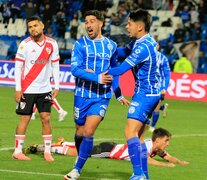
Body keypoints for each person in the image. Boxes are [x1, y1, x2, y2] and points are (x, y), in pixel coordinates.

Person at [64, 10, 130, 180]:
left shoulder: (111, 46)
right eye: (86, 22)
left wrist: (118, 93)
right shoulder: (80, 45)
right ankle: (81, 156)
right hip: (81, 95)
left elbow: (114, 72)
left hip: (102, 96)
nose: (88, 25)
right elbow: (74, 69)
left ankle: (76, 169)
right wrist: (96, 77)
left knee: (88, 131)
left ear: (100, 23)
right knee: (79, 130)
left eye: (92, 21)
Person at [105, 9, 161, 179]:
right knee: (140, 136)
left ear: (140, 26)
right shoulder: (143, 41)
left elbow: (121, 69)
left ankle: (138, 175)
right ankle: (144, 175)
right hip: (152, 93)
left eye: (129, 23)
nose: (126, 26)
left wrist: (100, 71)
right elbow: (122, 53)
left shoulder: (142, 47)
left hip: (145, 94)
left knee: (130, 132)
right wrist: (109, 48)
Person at [13, 16, 60, 162]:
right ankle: (17, 151)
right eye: (30, 27)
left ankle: (47, 151)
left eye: (35, 25)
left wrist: (57, 85)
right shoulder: (24, 44)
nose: (33, 29)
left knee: (46, 118)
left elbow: (55, 65)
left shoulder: (52, 44)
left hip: (45, 89)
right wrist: (18, 89)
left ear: (42, 26)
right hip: (27, 89)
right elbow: (18, 67)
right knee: (25, 118)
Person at [26, 128, 189, 167]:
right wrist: (165, 165)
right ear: (158, 139)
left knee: (80, 150)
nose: (167, 143)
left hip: (110, 147)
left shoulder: (156, 148)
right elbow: (146, 161)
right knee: (76, 154)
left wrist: (179, 162)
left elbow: (167, 156)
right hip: (108, 151)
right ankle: (46, 148)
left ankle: (62, 142)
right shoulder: (145, 146)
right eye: (166, 140)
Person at [149, 51, 171, 132]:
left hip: (159, 86)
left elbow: (167, 74)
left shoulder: (163, 58)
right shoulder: (146, 54)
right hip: (148, 85)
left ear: (158, 46)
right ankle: (163, 107)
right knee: (150, 106)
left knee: (156, 107)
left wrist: (164, 87)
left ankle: (152, 127)